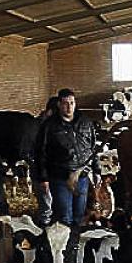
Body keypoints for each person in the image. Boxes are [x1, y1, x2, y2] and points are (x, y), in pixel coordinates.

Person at [34, 88, 98, 228]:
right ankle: (65, 247)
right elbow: (41, 152)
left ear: (75, 103)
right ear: (59, 104)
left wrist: (96, 170)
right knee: (64, 216)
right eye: (65, 103)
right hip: (60, 177)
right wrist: (43, 178)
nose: (69, 107)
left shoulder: (85, 122)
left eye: (72, 103)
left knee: (80, 215)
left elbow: (93, 148)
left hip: (81, 177)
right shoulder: (49, 126)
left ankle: (76, 245)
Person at [29, 96, 60, 226]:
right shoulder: (37, 128)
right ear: (51, 112)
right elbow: (36, 154)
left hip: (54, 171)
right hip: (41, 171)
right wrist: (43, 178)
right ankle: (44, 226)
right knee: (46, 201)